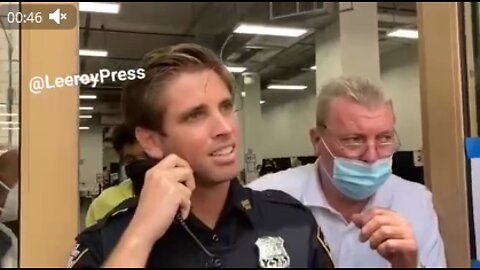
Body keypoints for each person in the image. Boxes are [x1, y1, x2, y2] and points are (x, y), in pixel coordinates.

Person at [68, 43, 334, 268]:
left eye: (226, 107)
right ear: (151, 141)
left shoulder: (291, 221)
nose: (224, 128)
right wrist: (140, 237)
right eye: (195, 115)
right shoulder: (108, 243)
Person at [248, 76, 446, 268]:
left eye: (384, 138)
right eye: (354, 140)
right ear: (317, 140)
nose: (371, 156)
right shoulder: (263, 201)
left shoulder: (416, 203)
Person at [85, 124, 146, 228]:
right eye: (131, 160)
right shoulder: (105, 202)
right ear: (123, 162)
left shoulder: (179, 195)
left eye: (147, 156)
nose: (141, 163)